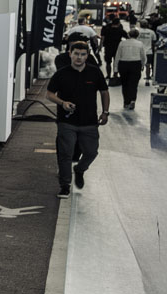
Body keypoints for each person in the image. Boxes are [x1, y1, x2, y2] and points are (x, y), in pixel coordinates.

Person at [45, 40, 109, 195]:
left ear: (87, 55)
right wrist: (62, 103)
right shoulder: (61, 73)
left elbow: (104, 92)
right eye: (76, 54)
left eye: (82, 54)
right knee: (65, 154)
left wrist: (105, 112)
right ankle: (65, 185)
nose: (79, 57)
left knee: (91, 152)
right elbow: (49, 94)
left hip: (89, 122)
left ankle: (80, 169)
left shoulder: (95, 72)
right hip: (67, 121)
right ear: (70, 54)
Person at [113, 29, 146, 109]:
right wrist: (142, 65)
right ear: (137, 35)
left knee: (125, 84)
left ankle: (126, 101)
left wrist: (115, 69)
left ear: (128, 35)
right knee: (134, 84)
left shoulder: (122, 43)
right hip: (135, 64)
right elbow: (143, 56)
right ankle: (132, 100)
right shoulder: (140, 44)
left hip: (123, 64)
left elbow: (117, 56)